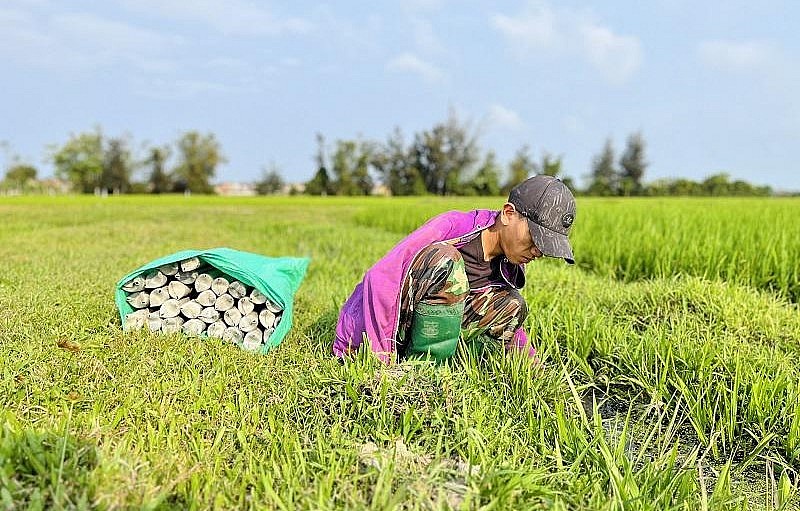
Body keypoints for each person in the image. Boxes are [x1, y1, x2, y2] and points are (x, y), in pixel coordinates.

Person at [333, 175, 576, 363]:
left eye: (545, 247)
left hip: (419, 335)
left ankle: (427, 366)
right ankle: (418, 373)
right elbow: (381, 278)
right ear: (508, 213)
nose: (538, 251)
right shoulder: (451, 227)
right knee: (446, 260)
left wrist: (533, 365)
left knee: (512, 303)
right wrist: (379, 360)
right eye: (535, 238)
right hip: (371, 338)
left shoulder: (508, 264)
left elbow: (510, 327)